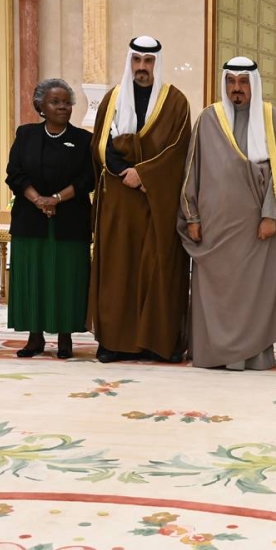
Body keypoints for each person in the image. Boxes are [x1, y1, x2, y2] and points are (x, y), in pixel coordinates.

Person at [177, 57, 276, 370]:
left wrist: (270, 215)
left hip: (258, 230)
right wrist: (192, 217)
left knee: (254, 294)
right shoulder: (208, 119)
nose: (236, 88)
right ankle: (214, 353)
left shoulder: (272, 119)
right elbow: (191, 171)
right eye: (231, 81)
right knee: (218, 292)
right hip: (215, 227)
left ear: (253, 83)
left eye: (243, 82)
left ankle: (254, 355)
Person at [89, 36, 192, 363]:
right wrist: (126, 173)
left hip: (157, 202)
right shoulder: (113, 99)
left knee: (158, 269)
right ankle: (114, 342)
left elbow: (178, 150)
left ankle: (159, 343)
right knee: (118, 270)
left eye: (148, 61)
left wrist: (144, 175)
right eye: (137, 60)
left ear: (157, 63)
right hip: (119, 201)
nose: (142, 67)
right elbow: (100, 145)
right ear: (130, 62)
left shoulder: (175, 102)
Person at [6, 79, 93, 360]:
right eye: (56, 102)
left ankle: (66, 337)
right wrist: (38, 200)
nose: (63, 107)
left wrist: (56, 199)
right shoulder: (26, 134)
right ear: (41, 106)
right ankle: (35, 337)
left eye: (67, 102)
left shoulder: (84, 139)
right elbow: (14, 173)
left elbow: (87, 179)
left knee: (67, 278)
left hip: (70, 221)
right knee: (33, 276)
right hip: (30, 220)